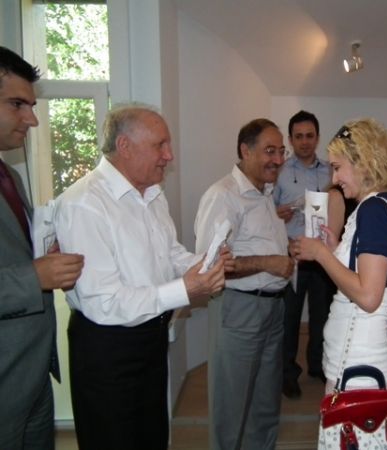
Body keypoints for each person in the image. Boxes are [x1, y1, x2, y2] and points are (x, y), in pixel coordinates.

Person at [53, 104, 227, 450]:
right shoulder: (84, 204)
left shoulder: (152, 194)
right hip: (108, 348)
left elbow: (169, 253)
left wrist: (204, 263)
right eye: (160, 145)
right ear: (125, 146)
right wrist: (185, 289)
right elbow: (105, 303)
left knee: (152, 437)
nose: (169, 155)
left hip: (150, 337)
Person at [0, 46, 84, 450]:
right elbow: (25, 275)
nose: (32, 119)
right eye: (17, 104)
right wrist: (33, 276)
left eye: (31, 106)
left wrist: (46, 256)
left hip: (33, 372)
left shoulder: (10, 177)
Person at [290, 118, 387, 395]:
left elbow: (368, 297)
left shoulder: (373, 211)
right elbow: (367, 275)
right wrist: (336, 251)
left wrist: (321, 253)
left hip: (360, 366)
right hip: (358, 362)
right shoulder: (381, 205)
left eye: (337, 168)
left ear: (362, 163)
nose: (333, 179)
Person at [194, 118, 294, 450]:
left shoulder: (265, 192)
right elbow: (209, 266)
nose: (278, 159)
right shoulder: (223, 195)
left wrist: (287, 250)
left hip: (273, 309)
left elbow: (254, 244)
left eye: (281, 151)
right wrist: (269, 262)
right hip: (240, 311)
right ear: (245, 151)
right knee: (231, 406)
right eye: (269, 151)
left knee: (265, 404)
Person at [273, 110, 333, 398]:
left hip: (322, 256)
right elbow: (265, 212)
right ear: (290, 139)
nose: (305, 142)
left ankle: (318, 365)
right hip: (292, 254)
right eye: (299, 136)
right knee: (290, 318)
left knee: (323, 316)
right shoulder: (279, 172)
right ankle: (288, 373)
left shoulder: (331, 171)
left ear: (317, 138)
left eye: (310, 136)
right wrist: (277, 214)